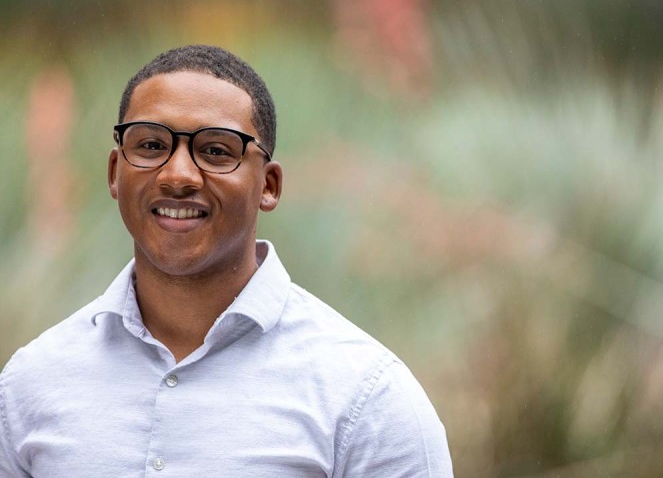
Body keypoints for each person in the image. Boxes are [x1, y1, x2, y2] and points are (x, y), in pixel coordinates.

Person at [0, 45, 453, 477]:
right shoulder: (30, 384)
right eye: (152, 146)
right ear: (115, 173)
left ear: (269, 185)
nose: (177, 175)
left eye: (216, 150)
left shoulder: (364, 397)